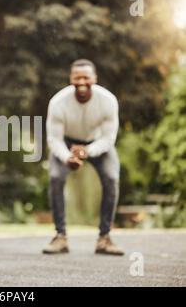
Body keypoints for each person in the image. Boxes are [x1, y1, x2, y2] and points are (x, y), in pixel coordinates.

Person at [43, 59, 124, 256]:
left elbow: (108, 138)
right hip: (66, 143)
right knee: (55, 177)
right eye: (76, 77)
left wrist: (87, 151)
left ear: (94, 79)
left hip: (98, 144)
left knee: (112, 178)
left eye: (86, 77)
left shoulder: (108, 101)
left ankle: (104, 238)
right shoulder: (58, 102)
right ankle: (60, 236)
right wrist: (67, 157)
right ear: (70, 79)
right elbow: (54, 139)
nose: (81, 81)